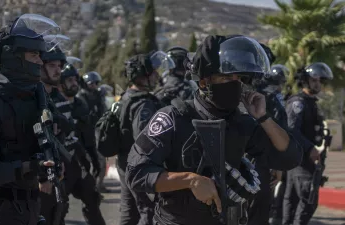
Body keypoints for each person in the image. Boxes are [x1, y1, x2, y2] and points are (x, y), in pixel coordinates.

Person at [125, 35, 303, 225]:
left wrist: (263, 117)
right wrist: (190, 180)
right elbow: (136, 173)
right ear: (204, 82)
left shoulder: (241, 123)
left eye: (239, 78)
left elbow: (290, 157)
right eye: (226, 77)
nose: (236, 84)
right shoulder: (173, 118)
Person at [0, 14, 62, 225]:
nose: (40, 61)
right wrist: (30, 167)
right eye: (34, 55)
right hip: (0, 210)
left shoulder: (33, 99)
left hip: (28, 206)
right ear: (14, 57)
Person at [116, 52, 172, 225]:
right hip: (138, 166)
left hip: (124, 164)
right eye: (153, 72)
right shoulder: (144, 104)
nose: (157, 76)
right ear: (143, 76)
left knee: (129, 211)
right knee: (148, 211)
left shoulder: (125, 97)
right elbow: (144, 141)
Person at [283, 62, 333, 225]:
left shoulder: (311, 102)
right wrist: (310, 148)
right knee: (307, 201)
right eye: (314, 80)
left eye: (320, 81)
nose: (317, 84)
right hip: (301, 162)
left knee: (295, 203)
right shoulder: (298, 102)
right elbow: (291, 129)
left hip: (305, 162)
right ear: (305, 80)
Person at [59, 63, 106, 225]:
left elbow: (88, 136)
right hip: (60, 164)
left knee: (92, 200)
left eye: (74, 79)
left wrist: (93, 159)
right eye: (69, 80)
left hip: (79, 163)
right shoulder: (52, 105)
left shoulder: (81, 104)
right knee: (57, 208)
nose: (73, 83)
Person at [246, 62, 289, 225]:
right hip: (260, 164)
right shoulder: (271, 97)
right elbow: (281, 133)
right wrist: (278, 166)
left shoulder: (237, 92)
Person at [78, 71, 107, 192]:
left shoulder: (98, 96)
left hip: (98, 131)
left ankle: (98, 185)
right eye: (91, 83)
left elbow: (104, 112)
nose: (94, 85)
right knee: (90, 162)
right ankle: (91, 187)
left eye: (96, 83)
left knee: (101, 161)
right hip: (86, 134)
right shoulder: (81, 97)